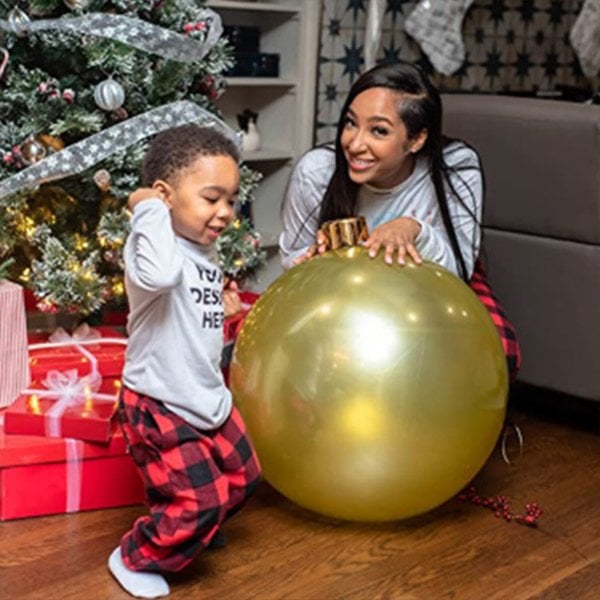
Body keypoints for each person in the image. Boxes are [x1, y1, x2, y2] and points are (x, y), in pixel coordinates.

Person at [279, 61, 520, 380]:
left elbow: (459, 272)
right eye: (351, 123)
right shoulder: (317, 172)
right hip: (339, 296)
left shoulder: (456, 168)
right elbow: (291, 260)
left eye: (378, 130)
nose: (354, 143)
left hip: (434, 294)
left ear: (417, 139)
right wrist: (317, 263)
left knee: (496, 352)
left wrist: (413, 230)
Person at [109, 124, 261, 599]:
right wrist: (146, 207)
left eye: (231, 200)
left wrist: (222, 310)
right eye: (212, 198)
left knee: (244, 475)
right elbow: (160, 275)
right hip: (160, 399)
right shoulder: (151, 248)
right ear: (166, 196)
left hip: (203, 392)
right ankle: (137, 554)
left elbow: (187, 309)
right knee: (199, 497)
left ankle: (189, 525)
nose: (225, 213)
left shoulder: (199, 248)